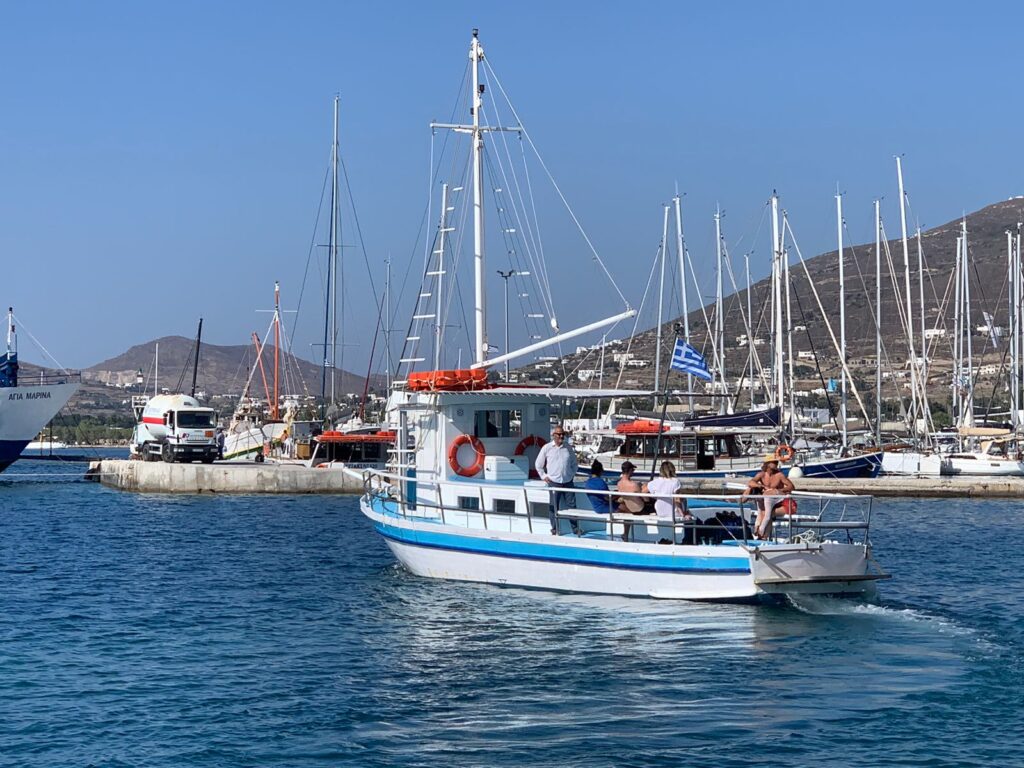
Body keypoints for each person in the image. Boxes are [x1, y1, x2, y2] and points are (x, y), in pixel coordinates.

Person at [535, 425, 579, 535]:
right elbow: (538, 464)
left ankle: (575, 528)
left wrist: (571, 474)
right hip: (554, 482)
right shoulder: (547, 448)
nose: (561, 436)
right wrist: (544, 476)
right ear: (553, 435)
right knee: (553, 506)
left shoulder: (568, 448)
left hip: (568, 481)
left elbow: (574, 464)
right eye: (559, 434)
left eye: (563, 434)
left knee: (572, 506)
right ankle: (554, 528)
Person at [741, 455, 795, 539]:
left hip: (777, 500)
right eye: (774, 462)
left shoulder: (779, 475)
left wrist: (778, 490)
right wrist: (761, 486)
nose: (776, 463)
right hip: (766, 499)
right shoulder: (761, 474)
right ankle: (740, 502)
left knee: (766, 512)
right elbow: (751, 482)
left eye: (776, 462)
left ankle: (761, 533)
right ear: (768, 464)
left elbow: (791, 486)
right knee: (751, 489)